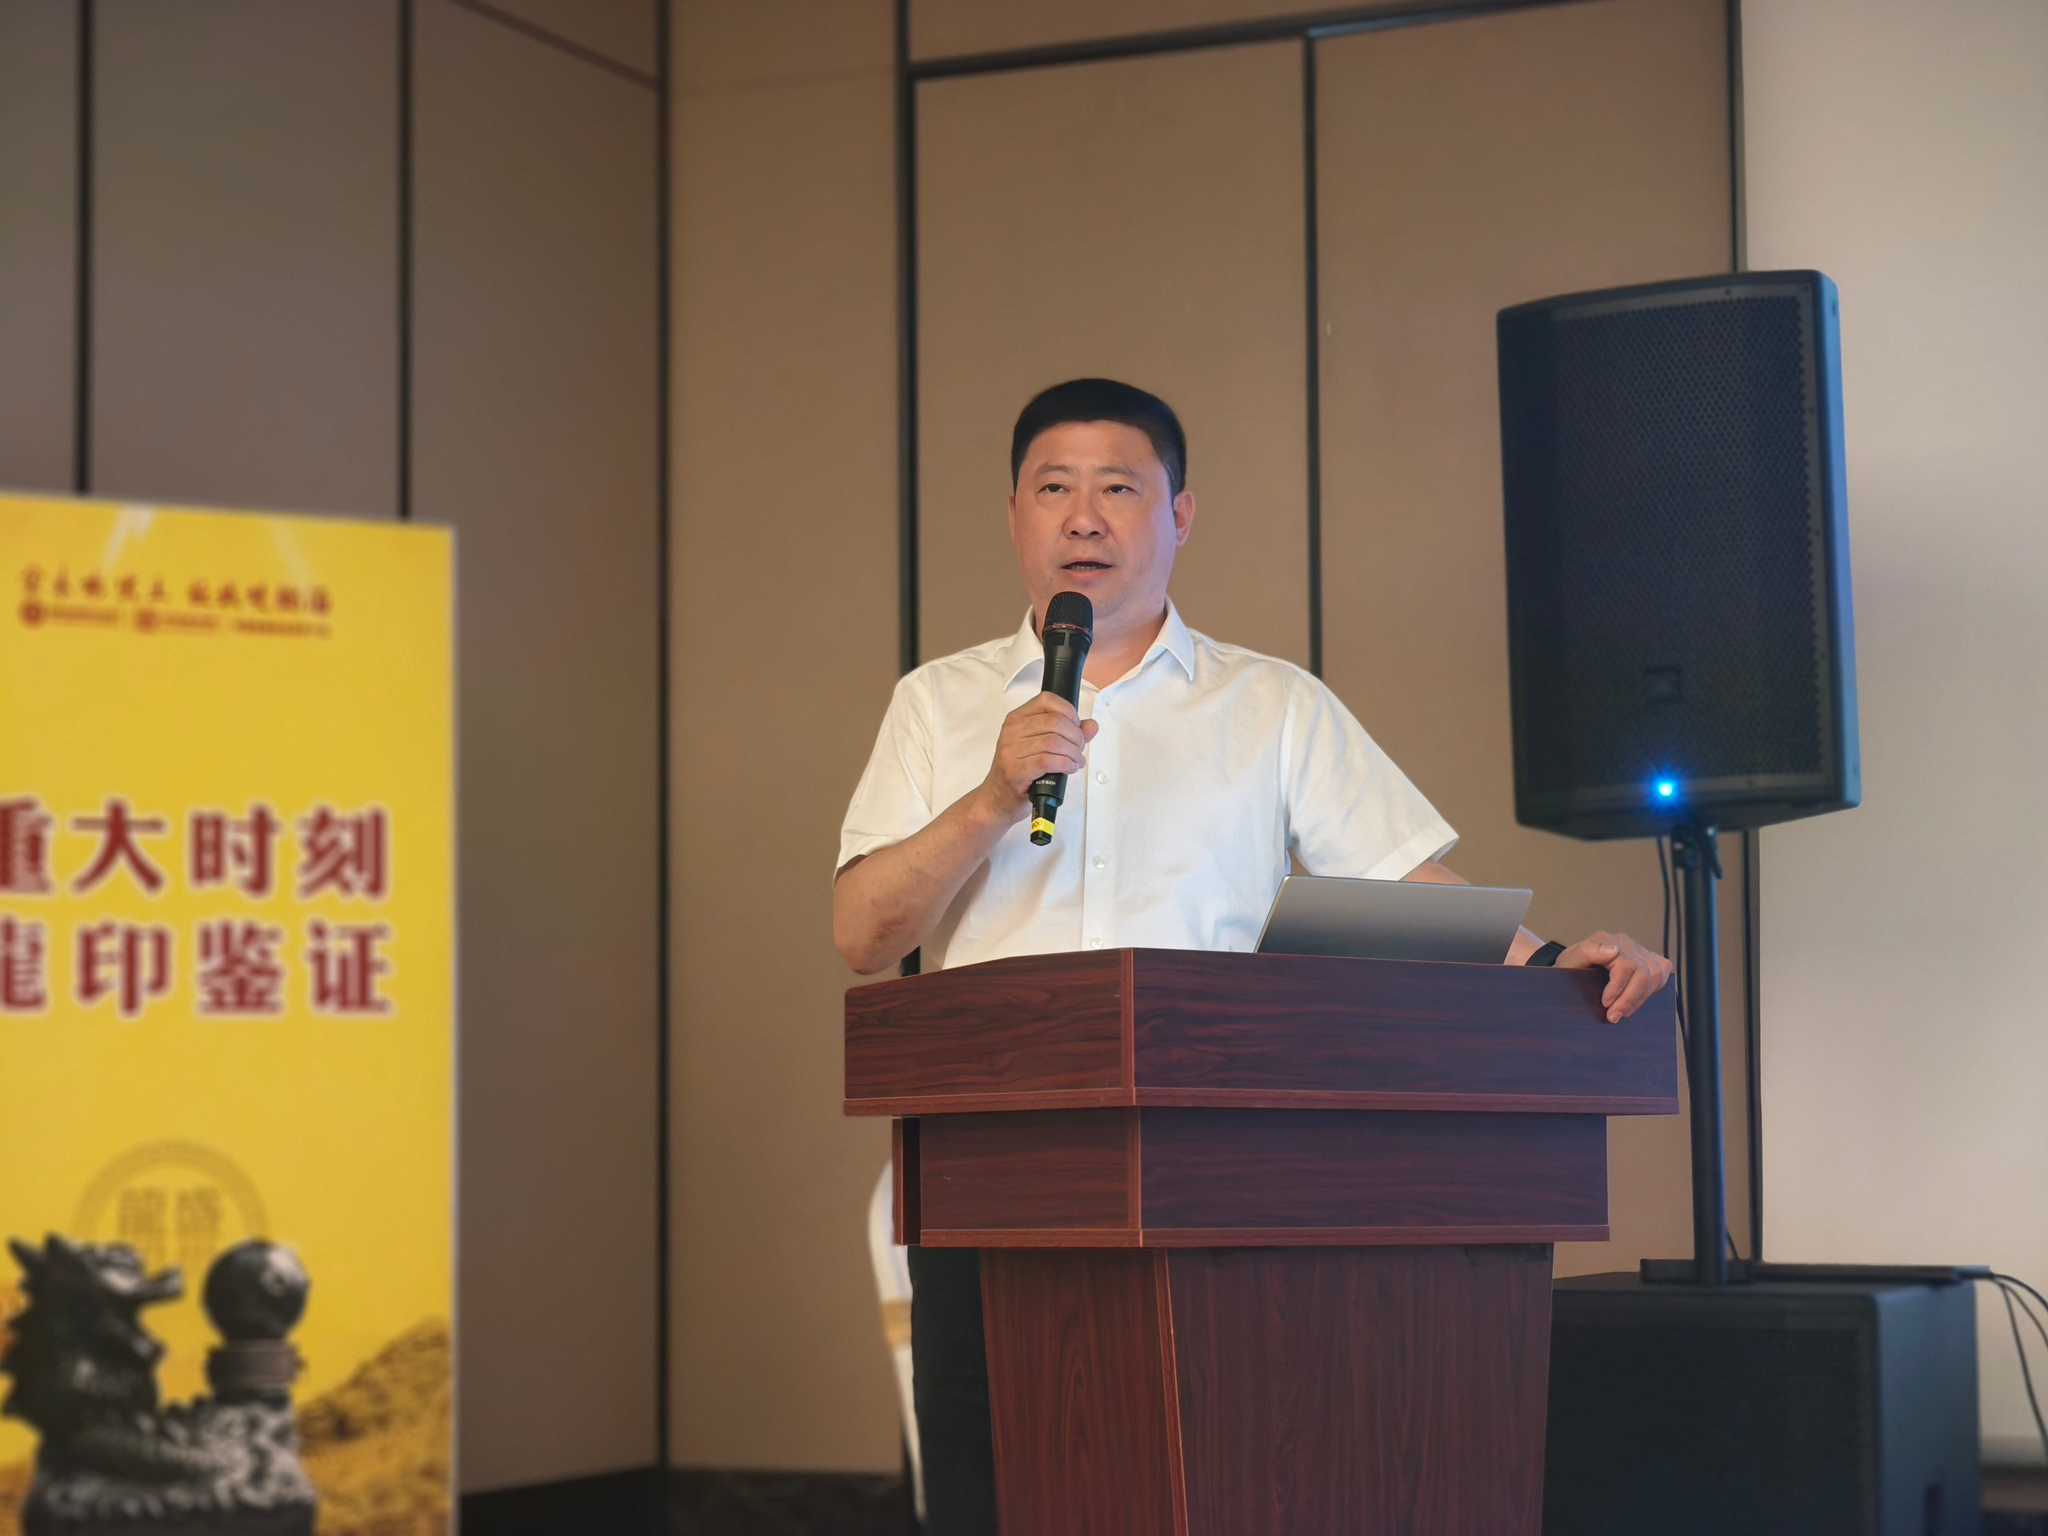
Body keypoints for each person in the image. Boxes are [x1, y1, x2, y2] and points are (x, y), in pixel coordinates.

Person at [833, 377, 1672, 1535]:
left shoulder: (1270, 704)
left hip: (1211, 1168)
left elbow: (1402, 880)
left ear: (1179, 515)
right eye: (1053, 488)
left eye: (1118, 488)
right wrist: (989, 797)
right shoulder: (937, 704)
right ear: (1014, 516)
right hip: (990, 1166)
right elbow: (862, 934)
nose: (1083, 517)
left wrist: (1551, 965)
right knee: (998, 1484)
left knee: (1209, 1470)